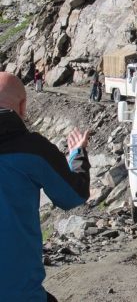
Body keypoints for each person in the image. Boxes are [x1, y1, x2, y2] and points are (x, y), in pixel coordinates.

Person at [0, 72, 91, 302]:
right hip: (20, 294)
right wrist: (77, 156)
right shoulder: (33, 150)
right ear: (22, 107)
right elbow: (73, 196)